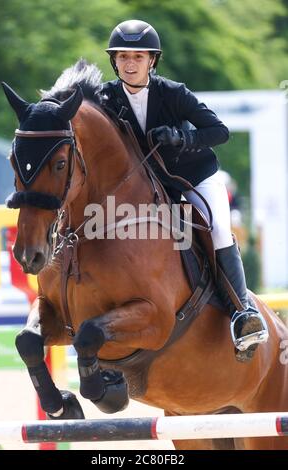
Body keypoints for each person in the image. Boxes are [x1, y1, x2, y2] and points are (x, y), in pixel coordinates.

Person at [101, 19, 268, 358]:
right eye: (122, 57)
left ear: (152, 61)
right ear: (114, 61)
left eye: (138, 56)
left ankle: (242, 312)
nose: (130, 64)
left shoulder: (173, 93)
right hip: (149, 187)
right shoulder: (106, 98)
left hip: (194, 177)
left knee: (219, 227)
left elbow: (218, 131)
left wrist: (183, 138)